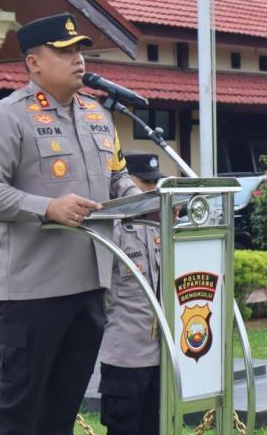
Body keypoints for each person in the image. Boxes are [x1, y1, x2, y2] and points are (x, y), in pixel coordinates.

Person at [0, 13, 141, 435]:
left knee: (62, 411)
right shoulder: (8, 116)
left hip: (91, 287)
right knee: (19, 413)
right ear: (33, 63)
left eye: (79, 50)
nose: (78, 59)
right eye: (65, 51)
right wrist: (47, 207)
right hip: (34, 292)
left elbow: (118, 179)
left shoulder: (97, 114)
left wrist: (146, 203)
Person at [99, 151, 165, 435]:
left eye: (154, 183)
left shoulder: (159, 225)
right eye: (145, 183)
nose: (151, 190)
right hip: (125, 356)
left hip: (161, 354)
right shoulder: (110, 228)